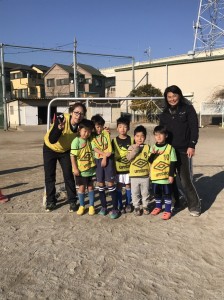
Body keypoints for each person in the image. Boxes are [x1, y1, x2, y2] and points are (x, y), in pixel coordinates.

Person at [160, 85, 201, 217]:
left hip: (184, 150)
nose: (172, 99)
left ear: (179, 95)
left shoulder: (187, 109)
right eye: (169, 97)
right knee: (168, 179)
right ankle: (178, 200)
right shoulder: (164, 113)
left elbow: (194, 128)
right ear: (166, 98)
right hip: (168, 151)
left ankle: (195, 205)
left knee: (185, 180)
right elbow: (161, 132)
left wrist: (192, 145)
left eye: (174, 96)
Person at [43, 102, 87, 212]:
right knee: (50, 176)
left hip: (65, 151)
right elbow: (52, 139)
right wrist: (59, 129)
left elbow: (92, 127)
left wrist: (103, 131)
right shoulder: (62, 119)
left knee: (68, 175)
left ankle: (72, 201)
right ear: (71, 112)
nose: (78, 115)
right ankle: (51, 201)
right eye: (76, 113)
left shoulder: (81, 125)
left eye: (81, 114)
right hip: (50, 148)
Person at [91, 114, 119, 219]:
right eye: (96, 127)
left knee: (111, 183)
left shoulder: (106, 133)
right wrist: (102, 156)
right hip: (98, 160)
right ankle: (104, 207)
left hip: (108, 160)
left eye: (100, 126)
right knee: (100, 183)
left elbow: (110, 150)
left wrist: (105, 158)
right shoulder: (92, 136)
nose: (98, 129)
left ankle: (115, 208)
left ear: (103, 126)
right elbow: (94, 148)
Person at [149, 125, 177, 220]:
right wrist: (153, 154)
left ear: (166, 135)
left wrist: (171, 175)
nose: (159, 136)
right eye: (156, 135)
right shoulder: (152, 148)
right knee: (156, 193)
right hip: (155, 177)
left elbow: (173, 162)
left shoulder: (170, 148)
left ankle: (168, 210)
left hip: (165, 177)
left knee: (167, 194)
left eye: (161, 134)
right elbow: (150, 160)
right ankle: (158, 207)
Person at [70, 119, 96, 216]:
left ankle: (92, 206)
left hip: (91, 170)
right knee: (81, 188)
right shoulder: (76, 141)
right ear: (79, 130)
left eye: (89, 131)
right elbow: (72, 156)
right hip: (81, 171)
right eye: (85, 131)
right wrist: (75, 168)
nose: (87, 133)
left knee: (91, 187)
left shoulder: (90, 140)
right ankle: (81, 205)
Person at [126, 125, 151, 216]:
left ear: (145, 137)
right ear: (134, 137)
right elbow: (129, 158)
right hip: (134, 176)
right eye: (137, 136)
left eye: (142, 136)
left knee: (145, 192)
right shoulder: (131, 147)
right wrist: (136, 149)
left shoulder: (148, 147)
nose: (140, 138)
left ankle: (145, 206)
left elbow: (150, 161)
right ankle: (136, 207)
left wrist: (150, 173)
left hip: (145, 175)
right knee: (135, 193)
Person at [112, 117, 133, 213]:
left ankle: (128, 204)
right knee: (119, 186)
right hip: (119, 169)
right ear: (117, 128)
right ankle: (120, 204)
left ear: (128, 128)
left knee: (128, 186)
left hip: (129, 169)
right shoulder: (114, 141)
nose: (122, 129)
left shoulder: (132, 140)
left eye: (125, 127)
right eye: (120, 127)